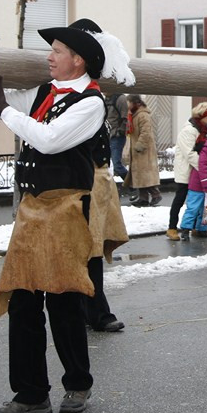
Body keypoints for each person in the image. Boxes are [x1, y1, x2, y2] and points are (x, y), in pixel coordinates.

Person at [0, 21, 110, 413]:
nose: (49, 56)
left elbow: (46, 139)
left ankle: (78, 383)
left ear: (78, 61)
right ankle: (30, 396)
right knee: (23, 302)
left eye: (57, 51)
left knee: (63, 301)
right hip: (32, 210)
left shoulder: (91, 103)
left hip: (64, 209)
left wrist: (3, 107)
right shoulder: (46, 92)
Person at [68, 19, 135, 335]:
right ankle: (90, 311)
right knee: (78, 250)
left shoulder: (94, 86)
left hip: (94, 178)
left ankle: (92, 311)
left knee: (91, 248)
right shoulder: (61, 83)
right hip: (68, 180)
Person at [168, 102, 207, 240]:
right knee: (180, 199)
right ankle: (171, 228)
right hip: (187, 171)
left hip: (197, 171)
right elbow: (189, 154)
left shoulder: (204, 130)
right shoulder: (189, 131)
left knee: (199, 201)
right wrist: (205, 167)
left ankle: (197, 228)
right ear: (202, 116)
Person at [124, 95, 162, 206]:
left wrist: (139, 145)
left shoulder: (143, 115)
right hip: (138, 150)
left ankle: (156, 195)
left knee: (144, 175)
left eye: (129, 103)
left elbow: (146, 133)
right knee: (139, 175)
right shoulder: (134, 115)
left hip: (143, 151)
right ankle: (143, 198)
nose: (128, 106)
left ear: (137, 103)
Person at [106, 92, 129, 183]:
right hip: (108, 135)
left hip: (117, 136)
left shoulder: (120, 98)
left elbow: (125, 117)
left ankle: (132, 186)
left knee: (117, 166)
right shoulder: (106, 99)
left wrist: (120, 131)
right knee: (106, 166)